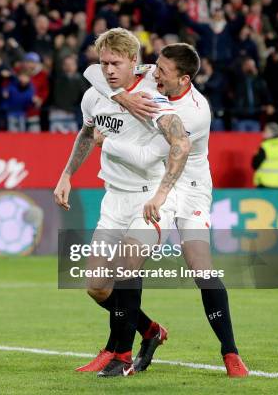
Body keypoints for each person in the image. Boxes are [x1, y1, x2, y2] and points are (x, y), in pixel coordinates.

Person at [84, 43, 249, 377]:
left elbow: (149, 157)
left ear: (184, 79)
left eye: (161, 71)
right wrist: (122, 97)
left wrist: (105, 142)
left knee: (200, 267)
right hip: (158, 183)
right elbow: (92, 72)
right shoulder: (152, 81)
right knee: (105, 278)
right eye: (155, 66)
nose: (153, 74)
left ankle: (230, 354)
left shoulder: (193, 113)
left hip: (185, 189)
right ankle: (130, 342)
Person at [53, 28, 190, 377]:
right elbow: (87, 132)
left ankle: (120, 355)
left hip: (149, 198)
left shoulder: (152, 97)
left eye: (116, 63)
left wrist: (161, 193)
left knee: (127, 265)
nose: (108, 70)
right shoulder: (95, 95)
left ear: (134, 61)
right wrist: (67, 174)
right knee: (97, 286)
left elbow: (178, 143)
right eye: (104, 63)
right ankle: (150, 331)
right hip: (114, 198)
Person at [252, 122, 278, 188]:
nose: (263, 133)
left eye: (265, 131)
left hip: (266, 185)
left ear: (271, 133)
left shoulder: (265, 147)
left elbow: (255, 164)